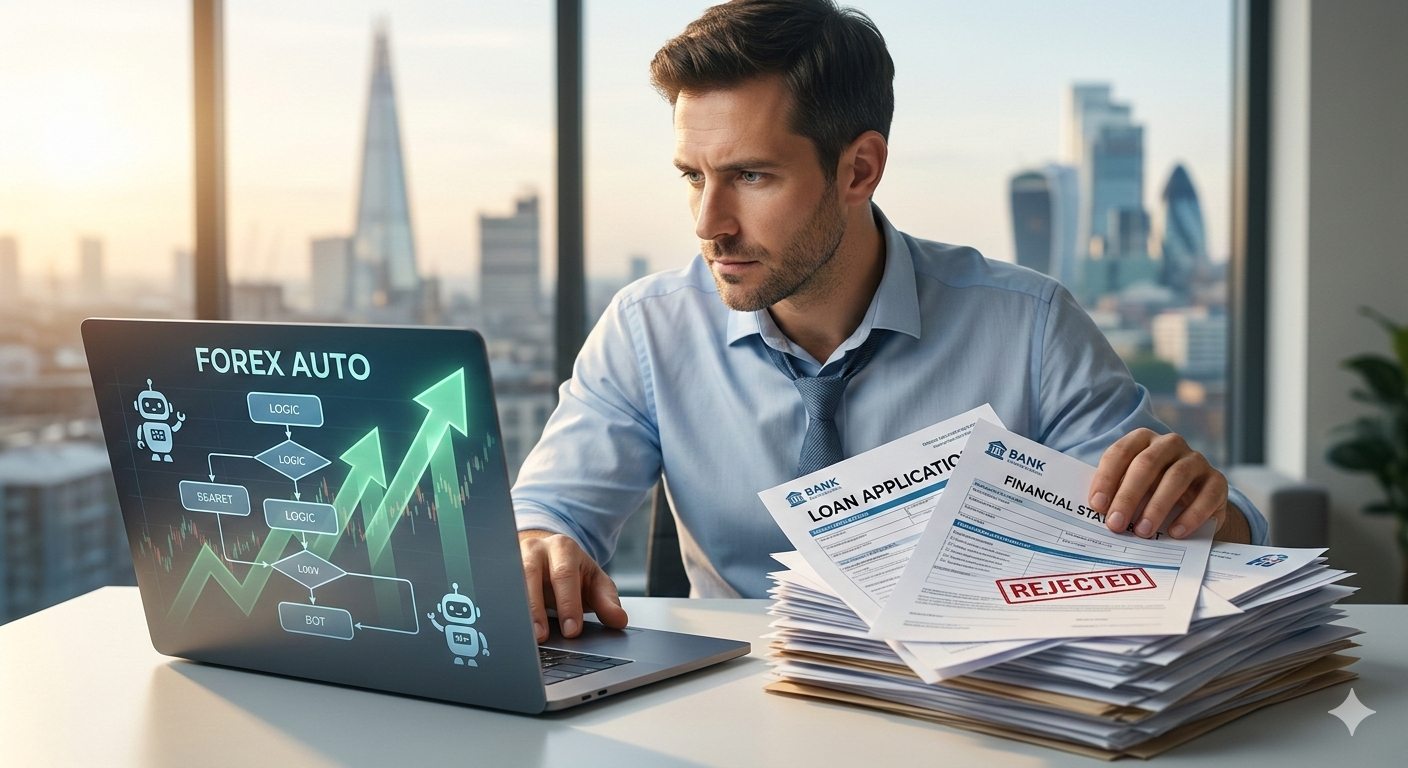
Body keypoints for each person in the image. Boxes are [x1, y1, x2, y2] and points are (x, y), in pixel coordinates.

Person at [513, 0, 1265, 643]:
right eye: (692, 177)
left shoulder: (1031, 328)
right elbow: (547, 515)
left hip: (972, 707)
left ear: (859, 170)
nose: (710, 222)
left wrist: (1197, 511)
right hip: (727, 709)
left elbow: (1192, 543)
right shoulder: (648, 330)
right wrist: (538, 548)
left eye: (751, 176)